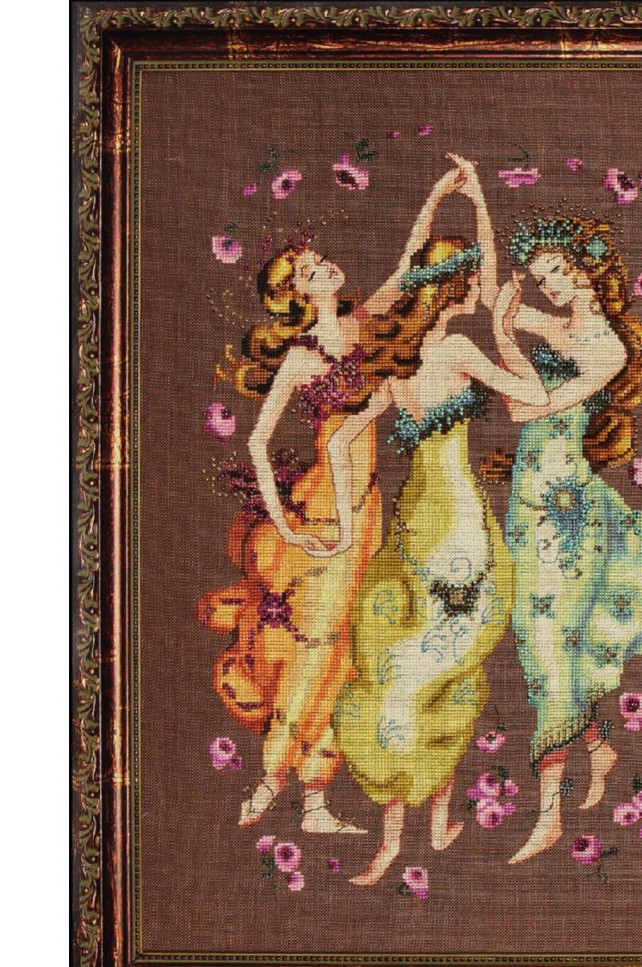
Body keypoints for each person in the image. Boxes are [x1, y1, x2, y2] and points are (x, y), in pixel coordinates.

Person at [197, 161, 471, 832]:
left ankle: (315, 798)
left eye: (321, 261)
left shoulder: (365, 323)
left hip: (363, 508)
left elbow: (409, 265)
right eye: (312, 269)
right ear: (298, 292)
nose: (327, 267)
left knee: (346, 650)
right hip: (327, 509)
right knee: (316, 645)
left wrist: (438, 194)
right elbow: (260, 442)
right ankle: (270, 780)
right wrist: (289, 527)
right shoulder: (301, 358)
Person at [322, 162, 549, 886]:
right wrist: (505, 330)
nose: (481, 289)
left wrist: (346, 523)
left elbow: (338, 441)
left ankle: (414, 828)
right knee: (444, 665)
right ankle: (415, 827)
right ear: (458, 289)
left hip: (418, 521)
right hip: (456, 527)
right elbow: (532, 396)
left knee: (415, 666)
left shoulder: (400, 363)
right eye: (473, 281)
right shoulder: (456, 350)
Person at [493, 215, 642, 864]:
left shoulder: (608, 348)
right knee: (538, 641)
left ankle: (549, 814)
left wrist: (504, 334)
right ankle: (597, 747)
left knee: (550, 650)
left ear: (586, 272)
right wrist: (474, 196)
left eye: (557, 275)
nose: (550, 288)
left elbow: (525, 406)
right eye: (542, 280)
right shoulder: (560, 327)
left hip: (567, 515)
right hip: (529, 503)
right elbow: (493, 298)